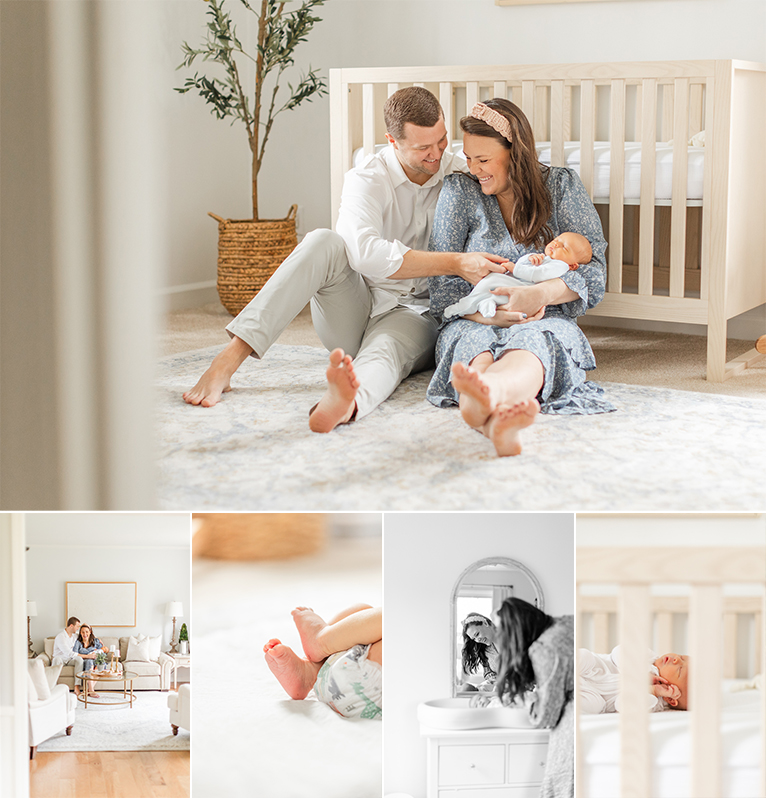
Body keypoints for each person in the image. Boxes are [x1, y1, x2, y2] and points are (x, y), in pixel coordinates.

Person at [183, 87, 511, 433]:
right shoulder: (368, 176)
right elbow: (363, 252)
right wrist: (456, 263)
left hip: (415, 314)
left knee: (386, 350)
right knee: (323, 240)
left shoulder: (461, 172)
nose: (437, 154)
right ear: (392, 141)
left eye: (442, 141)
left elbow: (514, 180)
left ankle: (347, 401)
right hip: (353, 308)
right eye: (423, 148)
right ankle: (229, 358)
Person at [427, 99, 615, 457]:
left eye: (483, 160)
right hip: (472, 314)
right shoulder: (459, 192)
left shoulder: (561, 186)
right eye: (468, 158)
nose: (474, 169)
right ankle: (492, 409)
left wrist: (540, 295)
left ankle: (489, 397)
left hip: (544, 317)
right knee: (472, 342)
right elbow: (443, 279)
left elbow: (594, 269)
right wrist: (484, 314)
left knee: (533, 342)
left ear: (516, 154)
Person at [491, 598, 574, 798]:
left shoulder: (544, 648)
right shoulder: (567, 623)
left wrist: (528, 702)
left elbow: (547, 716)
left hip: (571, 730)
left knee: (564, 786)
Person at [263, 603, 382, 719]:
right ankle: (313, 671)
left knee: (391, 616)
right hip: (359, 682)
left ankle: (322, 641)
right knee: (364, 610)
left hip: (369, 685)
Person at [444, 232, 592, 320]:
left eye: (564, 247)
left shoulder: (561, 266)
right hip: (514, 283)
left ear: (573, 265)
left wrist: (515, 269)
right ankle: (483, 303)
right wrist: (528, 259)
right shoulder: (544, 258)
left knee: (494, 283)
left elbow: (538, 275)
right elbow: (524, 265)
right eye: (557, 240)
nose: (557, 244)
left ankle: (465, 306)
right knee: (490, 282)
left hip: (523, 289)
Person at [579, 647, 689, 713]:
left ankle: (565, 695)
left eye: (679, 670)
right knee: (585, 657)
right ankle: (565, 667)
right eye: (682, 657)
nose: (676, 659)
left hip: (592, 693)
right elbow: (619, 651)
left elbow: (621, 705)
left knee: (595, 706)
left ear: (671, 699)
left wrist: (652, 691)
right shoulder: (648, 657)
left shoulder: (653, 702)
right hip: (593, 669)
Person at [460, 612, 501, 690]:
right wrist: (491, 676)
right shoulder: (485, 649)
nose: (477, 640)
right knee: (466, 688)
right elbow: (487, 672)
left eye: (477, 634)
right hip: (496, 686)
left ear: (485, 623)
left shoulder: (511, 638)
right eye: (474, 639)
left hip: (515, 685)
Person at [52, 616, 84, 696]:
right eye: (77, 626)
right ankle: (52, 686)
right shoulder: (60, 637)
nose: (78, 628)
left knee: (79, 660)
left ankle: (76, 687)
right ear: (71, 626)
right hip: (60, 659)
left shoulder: (74, 636)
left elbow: (86, 636)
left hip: (70, 660)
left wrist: (98, 640)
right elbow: (69, 653)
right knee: (56, 659)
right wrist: (87, 656)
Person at [73, 624, 105, 697]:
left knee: (101, 663)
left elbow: (104, 649)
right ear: (80, 633)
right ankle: (91, 690)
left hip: (95, 660)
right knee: (89, 662)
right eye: (83, 632)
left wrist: (101, 648)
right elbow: (74, 654)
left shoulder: (95, 641)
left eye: (87, 632)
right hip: (85, 660)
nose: (85, 634)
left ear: (90, 632)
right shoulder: (78, 642)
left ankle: (89, 689)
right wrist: (87, 656)